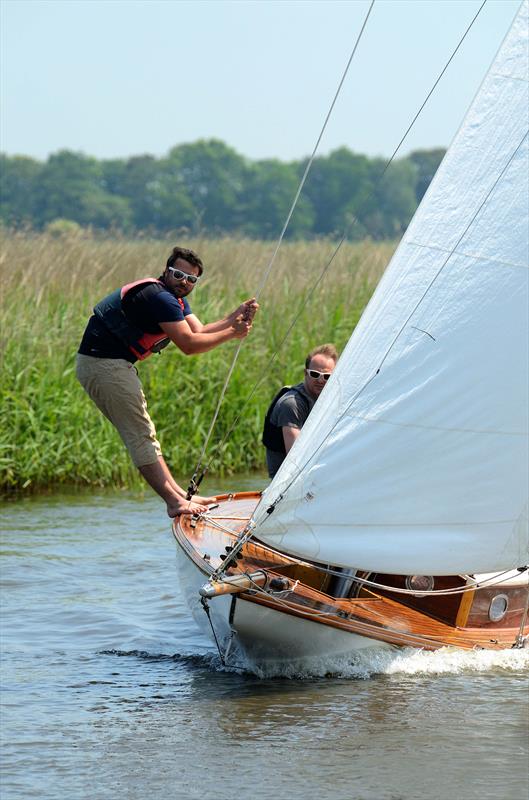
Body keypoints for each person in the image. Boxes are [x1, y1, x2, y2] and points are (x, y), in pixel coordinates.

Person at [76, 246, 258, 518]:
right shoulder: (160, 297)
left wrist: (235, 316)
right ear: (166, 271)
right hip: (104, 365)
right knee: (140, 435)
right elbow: (189, 345)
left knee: (146, 433)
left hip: (107, 365)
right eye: (178, 274)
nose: (184, 282)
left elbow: (199, 330)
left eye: (191, 279)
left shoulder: (175, 299)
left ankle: (181, 497)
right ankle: (175, 503)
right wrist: (233, 332)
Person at [262, 343, 338, 478]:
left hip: (315, 475)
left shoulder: (326, 399)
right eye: (315, 374)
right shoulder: (291, 404)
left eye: (327, 376)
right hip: (286, 483)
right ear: (305, 373)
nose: (321, 380)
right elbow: (296, 458)